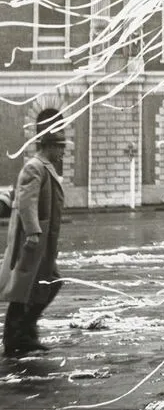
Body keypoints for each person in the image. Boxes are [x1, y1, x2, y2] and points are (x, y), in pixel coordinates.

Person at [0, 131, 67, 358]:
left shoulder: (43, 166)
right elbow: (27, 202)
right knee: (24, 288)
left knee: (39, 285)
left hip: (41, 241)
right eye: (61, 147)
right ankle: (15, 339)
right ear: (49, 146)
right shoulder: (34, 167)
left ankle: (25, 333)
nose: (63, 152)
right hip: (33, 241)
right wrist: (33, 232)